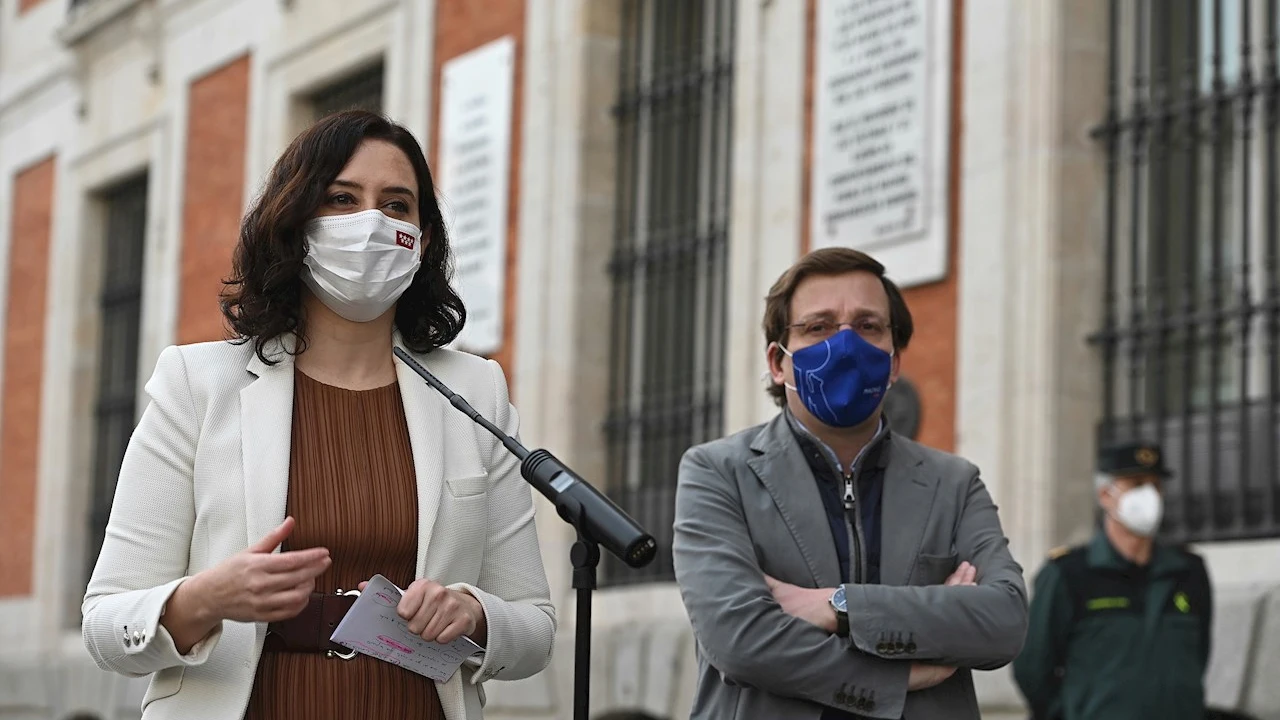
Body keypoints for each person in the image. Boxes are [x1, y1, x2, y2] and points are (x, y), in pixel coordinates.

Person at [81, 110, 556, 720]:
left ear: (424, 237)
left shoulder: (475, 391)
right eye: (341, 198)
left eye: (396, 204)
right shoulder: (196, 385)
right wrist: (205, 599)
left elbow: (536, 627)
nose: (371, 222)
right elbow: (105, 622)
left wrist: (475, 613)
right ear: (296, 223)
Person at [672, 247, 1028, 720]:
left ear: (893, 362)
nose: (846, 344)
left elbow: (1003, 622)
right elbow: (739, 640)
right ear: (779, 363)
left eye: (867, 326)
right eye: (818, 327)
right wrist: (899, 674)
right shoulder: (718, 472)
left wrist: (840, 607)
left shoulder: (954, 483)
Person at [1013, 441, 1213, 720]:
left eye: (1156, 486)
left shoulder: (1188, 571)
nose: (1150, 496)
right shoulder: (1068, 573)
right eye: (1137, 484)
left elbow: (1198, 657)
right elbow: (1033, 668)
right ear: (1106, 495)